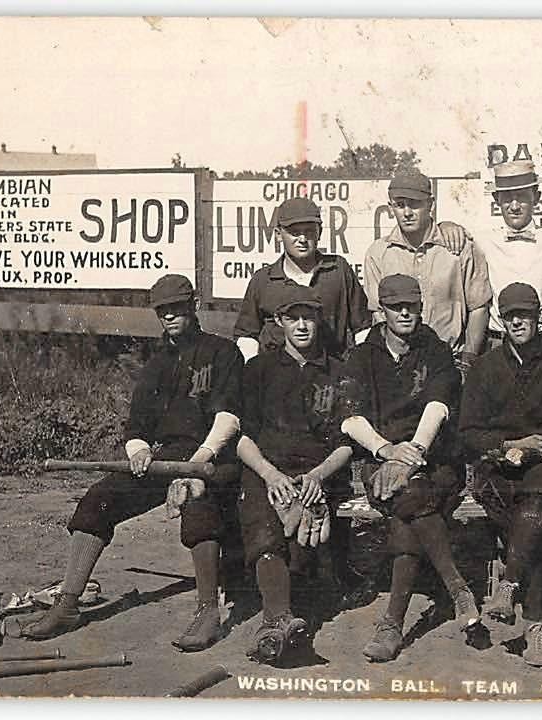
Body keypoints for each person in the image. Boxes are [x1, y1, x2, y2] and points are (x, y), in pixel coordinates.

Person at [20, 274, 243, 652]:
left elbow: (230, 418)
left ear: (194, 306)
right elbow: (136, 426)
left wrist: (196, 464)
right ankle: (68, 603)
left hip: (213, 457)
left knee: (197, 502)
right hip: (164, 459)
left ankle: (208, 612)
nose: (170, 316)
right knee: (98, 499)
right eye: (163, 311)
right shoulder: (156, 363)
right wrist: (139, 452)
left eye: (177, 308)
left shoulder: (223, 352)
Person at [338, 273, 480, 663]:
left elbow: (439, 404)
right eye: (396, 306)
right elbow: (350, 418)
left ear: (421, 307)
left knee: (409, 501)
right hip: (382, 461)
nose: (405, 312)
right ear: (380, 311)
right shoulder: (362, 355)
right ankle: (456, 588)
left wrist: (413, 452)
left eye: (412, 305)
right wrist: (388, 451)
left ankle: (392, 624)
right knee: (410, 500)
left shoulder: (434, 349)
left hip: (434, 460)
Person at [458, 283, 542, 667]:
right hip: (499, 473)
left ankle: (511, 589)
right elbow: (468, 433)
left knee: (539, 497)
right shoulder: (486, 367)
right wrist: (512, 445)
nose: (518, 322)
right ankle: (534, 626)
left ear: (539, 318)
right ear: (500, 319)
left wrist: (538, 448)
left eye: (525, 315)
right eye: (511, 315)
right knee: (533, 525)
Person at [235, 284, 353, 664]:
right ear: (280, 323)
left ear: (320, 320)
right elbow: (241, 439)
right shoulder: (259, 369)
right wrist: (270, 475)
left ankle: (279, 623)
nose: (302, 326)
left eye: (309, 317)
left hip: (318, 474)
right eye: (293, 318)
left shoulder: (338, 371)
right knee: (266, 527)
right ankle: (280, 620)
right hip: (267, 470)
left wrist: (318, 477)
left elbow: (349, 441)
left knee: (301, 541)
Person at [364, 172, 492, 379]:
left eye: (414, 204)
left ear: (430, 204)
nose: (407, 212)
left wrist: (468, 360)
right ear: (391, 208)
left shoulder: (460, 248)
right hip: (400, 366)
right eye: (400, 205)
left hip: (452, 361)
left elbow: (479, 306)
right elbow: (378, 314)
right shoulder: (378, 253)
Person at [234, 197, 373, 361]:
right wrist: (253, 372)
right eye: (294, 232)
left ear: (319, 232)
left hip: (329, 373)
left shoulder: (338, 271)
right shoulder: (263, 280)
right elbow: (247, 336)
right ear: (278, 235)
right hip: (276, 375)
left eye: (309, 231)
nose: (302, 239)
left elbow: (363, 328)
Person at [472, 160, 542, 353]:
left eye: (522, 197)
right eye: (507, 198)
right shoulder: (481, 242)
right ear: (496, 199)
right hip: (499, 346)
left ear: (536, 197)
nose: (515, 206)